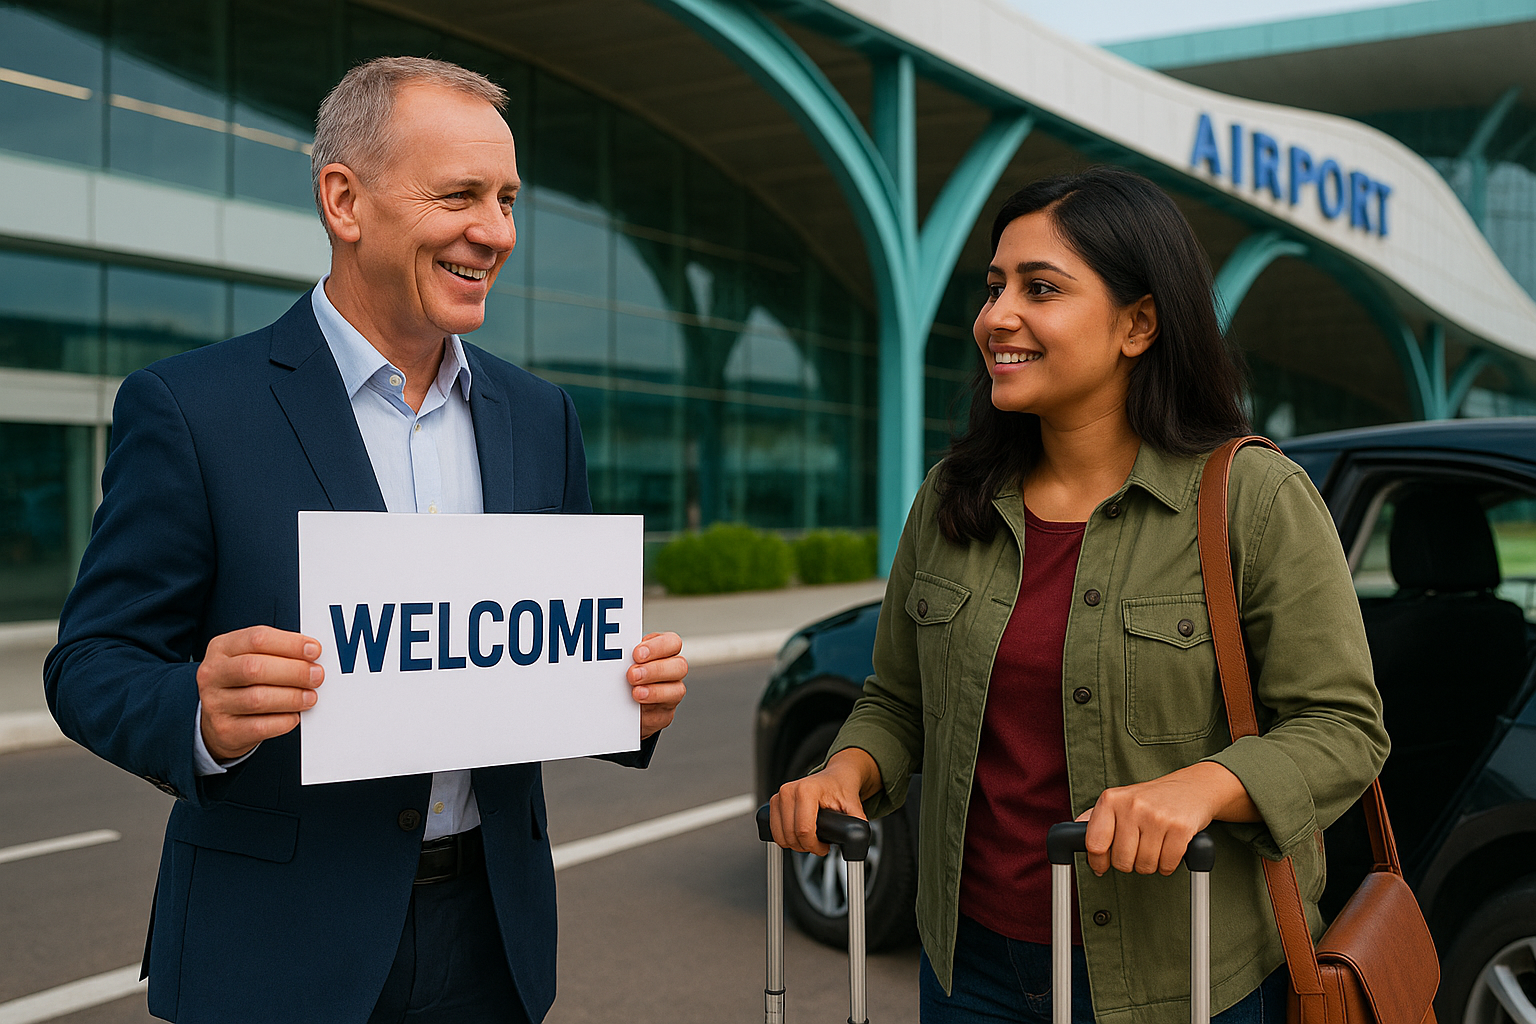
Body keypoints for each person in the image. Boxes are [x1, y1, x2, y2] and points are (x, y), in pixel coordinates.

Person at [43, 56, 688, 1024]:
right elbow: (90, 661)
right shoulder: (190, 409)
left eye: (508, 199)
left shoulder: (540, 415)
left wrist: (628, 698)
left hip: (493, 938)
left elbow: (547, 653)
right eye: (460, 196)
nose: (496, 232)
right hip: (276, 947)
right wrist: (198, 712)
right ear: (344, 201)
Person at [769, 167, 1388, 1024]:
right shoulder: (951, 498)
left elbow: (1343, 728)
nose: (997, 316)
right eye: (994, 286)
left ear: (1138, 324)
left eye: (1041, 288)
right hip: (969, 972)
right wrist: (846, 770)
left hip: (1183, 981)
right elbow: (898, 701)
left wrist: (1204, 787)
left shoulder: (1253, 498)